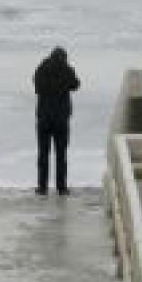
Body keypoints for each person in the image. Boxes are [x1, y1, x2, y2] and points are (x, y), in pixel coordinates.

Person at [33, 47, 80, 195]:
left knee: (43, 154)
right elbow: (76, 84)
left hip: (44, 119)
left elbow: (37, 87)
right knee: (61, 155)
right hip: (61, 119)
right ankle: (61, 187)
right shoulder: (67, 70)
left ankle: (42, 187)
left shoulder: (42, 68)